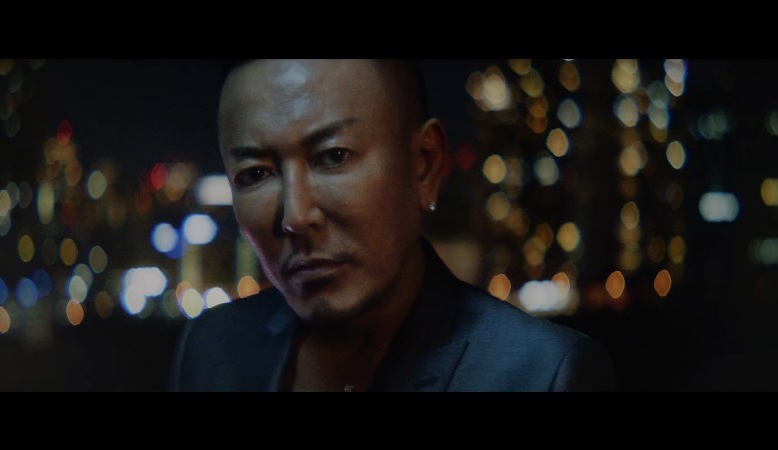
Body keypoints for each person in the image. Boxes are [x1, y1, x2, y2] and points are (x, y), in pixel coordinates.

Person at [170, 59, 616, 392]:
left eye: (334, 156)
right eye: (255, 175)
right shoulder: (212, 349)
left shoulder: (541, 374)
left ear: (425, 164)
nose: (295, 217)